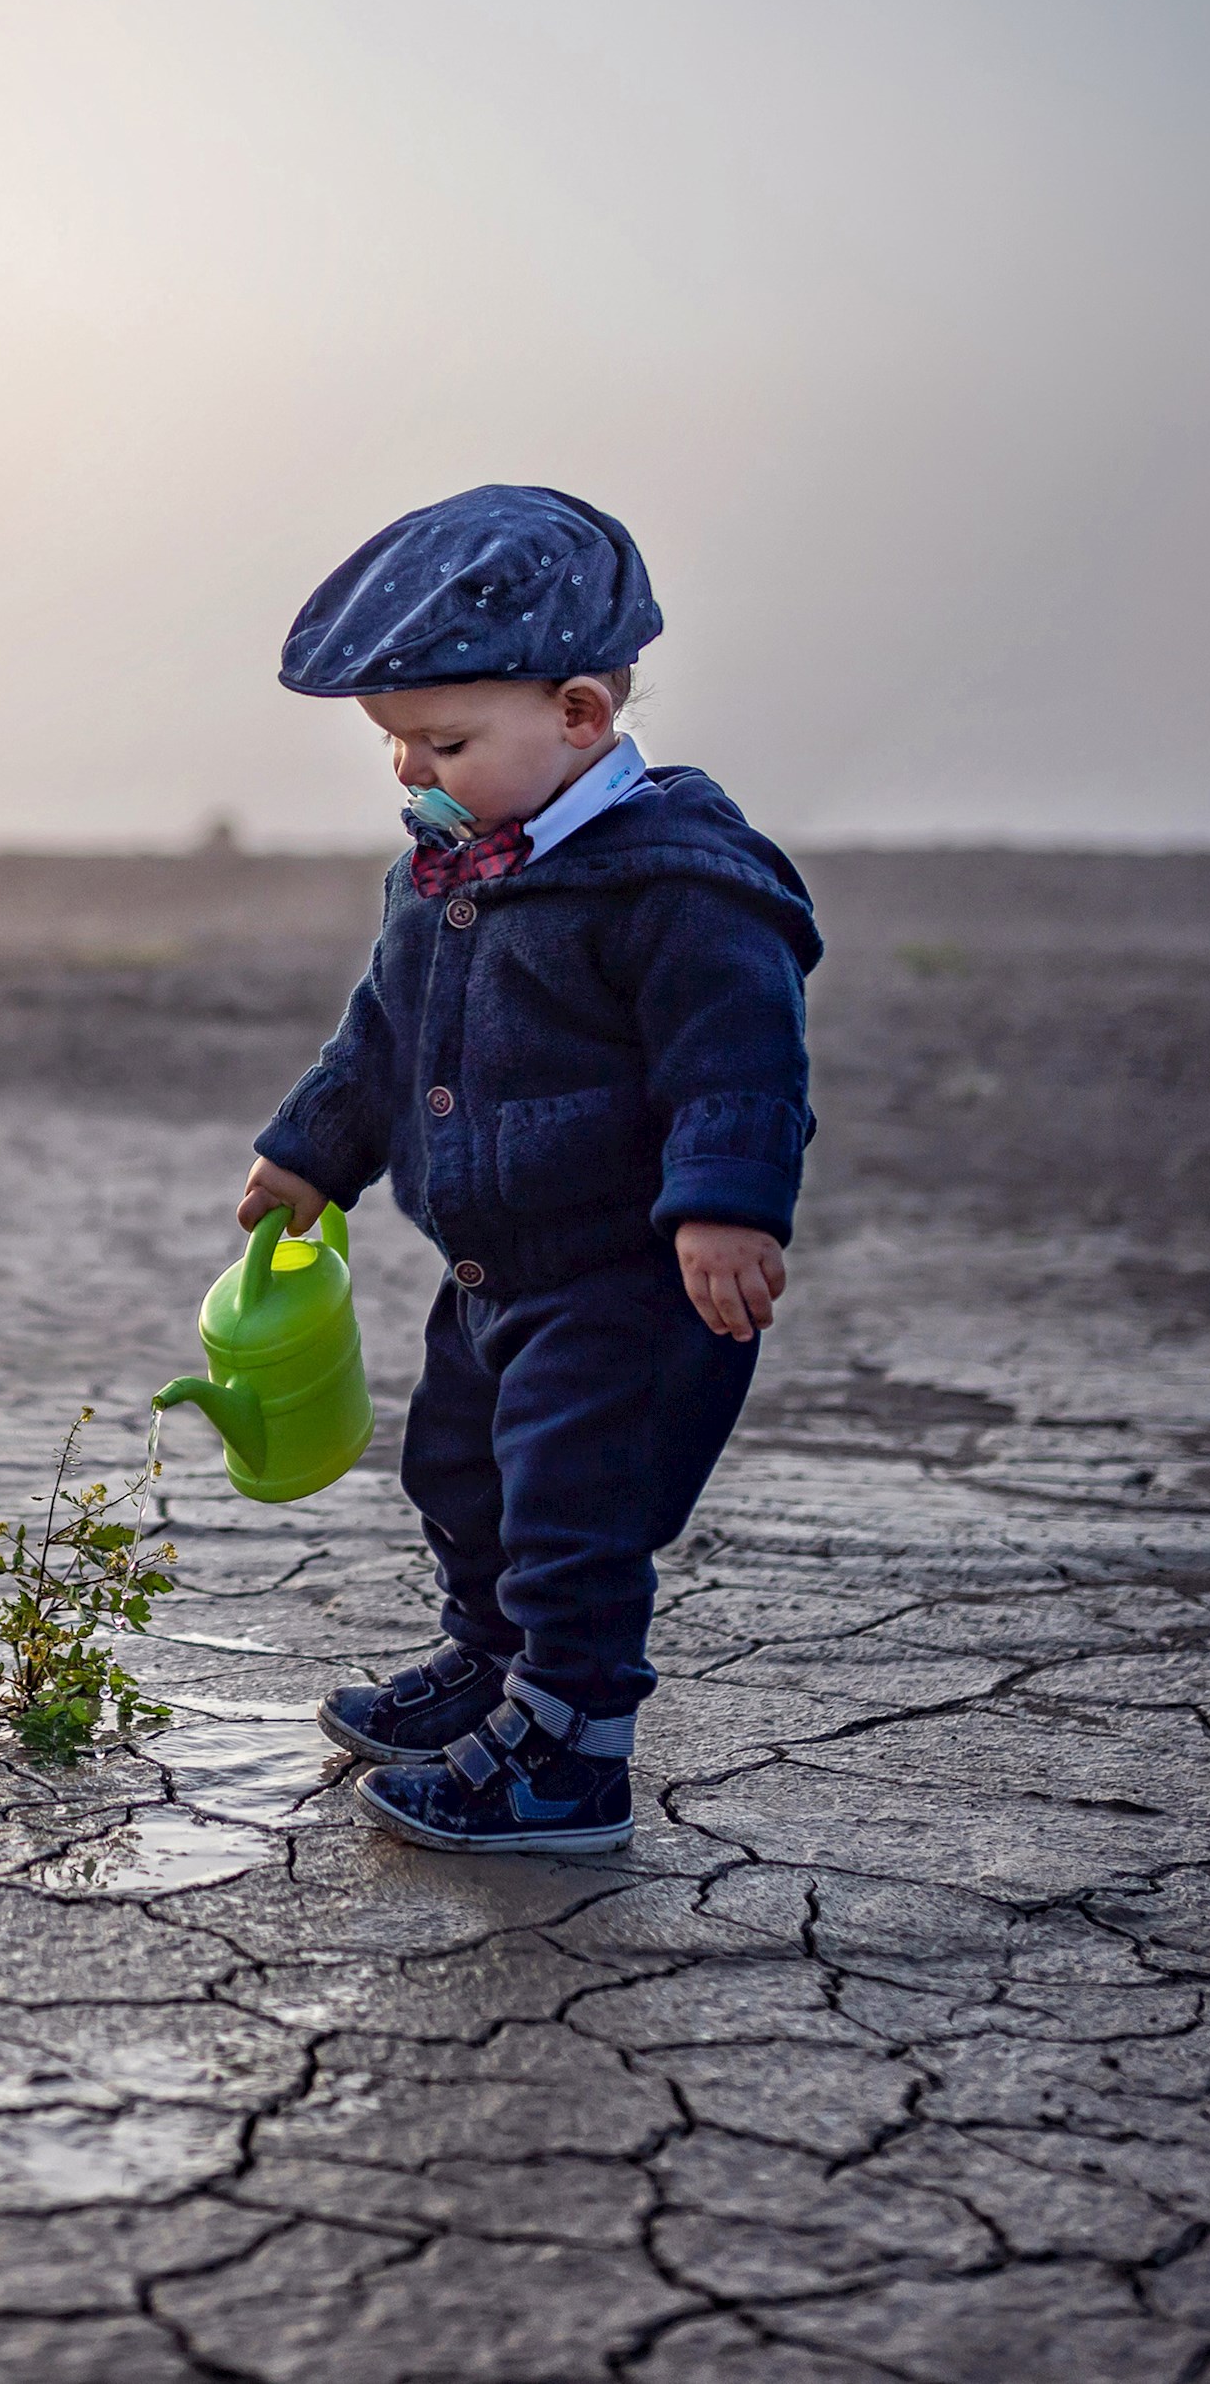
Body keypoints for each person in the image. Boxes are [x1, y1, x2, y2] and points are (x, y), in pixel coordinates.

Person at [242, 484, 819, 1853]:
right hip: (496, 1263)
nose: (408, 770)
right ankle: (488, 1667)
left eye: (441, 740)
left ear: (579, 714)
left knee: (574, 1509)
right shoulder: (445, 875)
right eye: (392, 743)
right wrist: (312, 1152)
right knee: (462, 1473)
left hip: (625, 1276)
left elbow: (737, 1058)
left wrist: (726, 1207)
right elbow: (384, 1032)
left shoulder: (679, 880)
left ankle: (569, 1752)